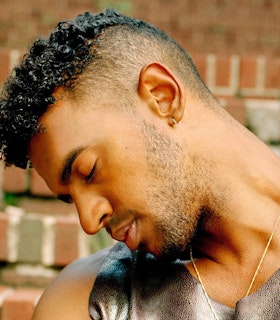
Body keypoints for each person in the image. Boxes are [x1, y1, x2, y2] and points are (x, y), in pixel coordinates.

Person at [0, 8, 279, 320]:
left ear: (162, 96)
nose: (89, 223)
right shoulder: (85, 302)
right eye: (69, 199)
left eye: (89, 170)